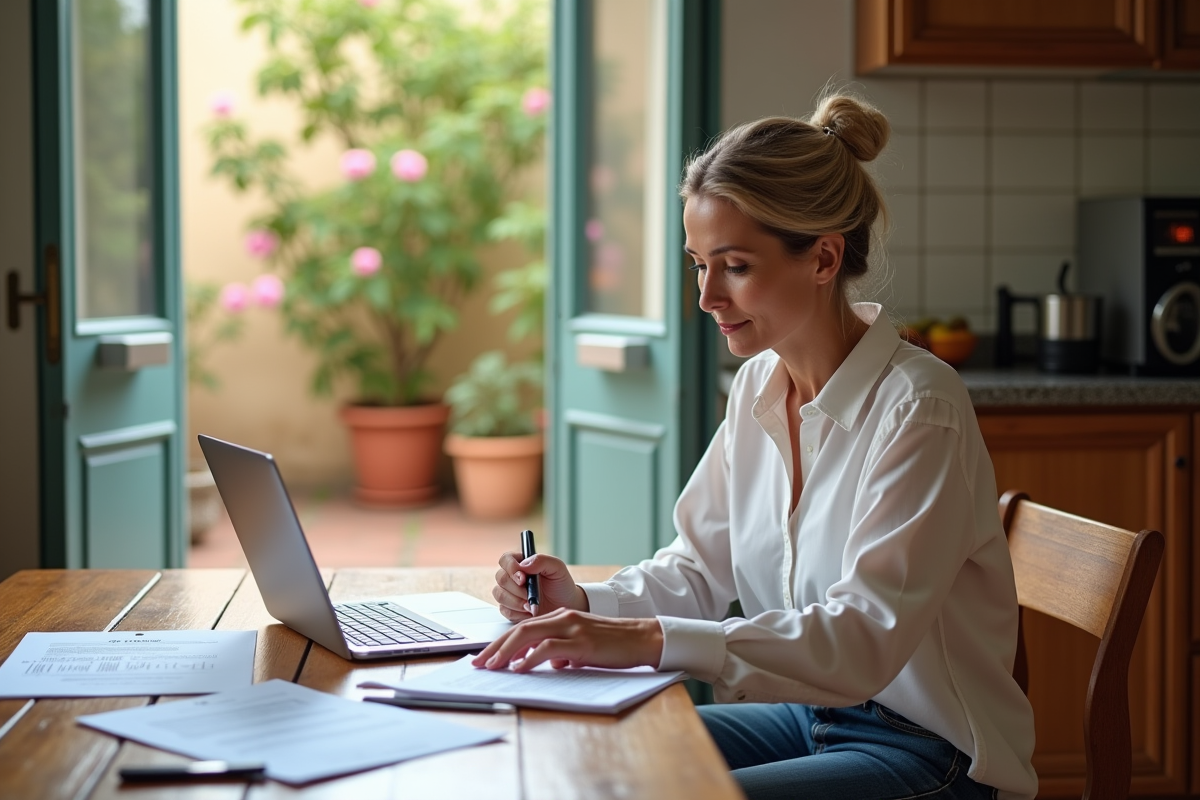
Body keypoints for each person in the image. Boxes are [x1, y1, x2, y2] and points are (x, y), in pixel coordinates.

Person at [473, 93, 1037, 800]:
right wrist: (583, 602)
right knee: (587, 751)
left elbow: (862, 641)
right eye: (698, 264)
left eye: (735, 265)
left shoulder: (920, 409)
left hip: (934, 755)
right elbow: (701, 568)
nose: (707, 296)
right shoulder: (759, 385)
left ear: (824, 258)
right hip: (811, 717)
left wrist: (645, 640)